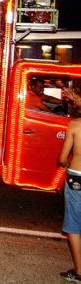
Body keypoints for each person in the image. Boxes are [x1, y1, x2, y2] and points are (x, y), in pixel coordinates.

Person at [58, 114, 81, 281]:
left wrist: (64, 163)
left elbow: (62, 159)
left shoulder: (74, 125)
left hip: (77, 177)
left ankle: (79, 271)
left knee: (74, 223)